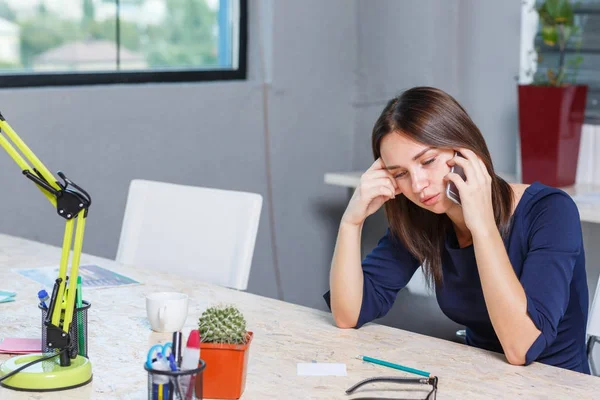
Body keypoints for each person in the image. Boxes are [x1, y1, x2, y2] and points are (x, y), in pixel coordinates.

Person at [324, 86, 590, 374]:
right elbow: (348, 313)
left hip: (557, 386)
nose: (417, 185)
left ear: (464, 149)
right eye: (400, 173)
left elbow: (522, 347)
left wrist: (482, 225)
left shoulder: (551, 212)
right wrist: (351, 222)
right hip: (478, 380)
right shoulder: (426, 216)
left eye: (427, 161)